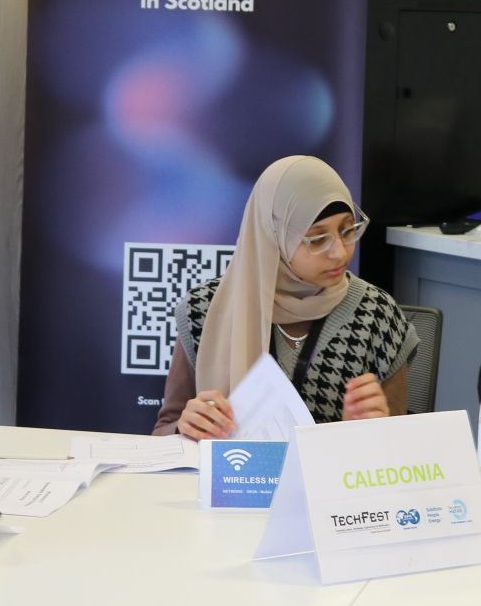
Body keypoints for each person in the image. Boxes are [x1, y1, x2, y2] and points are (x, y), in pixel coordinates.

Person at [153, 156, 418, 438]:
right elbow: (163, 431)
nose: (339, 252)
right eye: (317, 239)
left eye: (347, 230)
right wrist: (186, 426)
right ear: (273, 236)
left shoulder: (377, 315)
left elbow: (399, 446)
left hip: (335, 468)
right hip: (234, 468)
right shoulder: (205, 311)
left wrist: (363, 431)